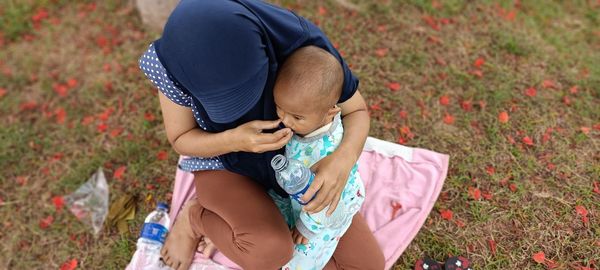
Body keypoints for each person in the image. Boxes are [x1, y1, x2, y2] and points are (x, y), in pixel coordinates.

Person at [138, 0, 384, 269]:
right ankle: (195, 217)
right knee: (270, 251)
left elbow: (355, 110)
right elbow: (181, 138)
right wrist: (233, 139)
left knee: (366, 264)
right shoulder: (173, 64)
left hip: (293, 162)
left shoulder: (301, 47)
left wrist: (342, 161)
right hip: (226, 162)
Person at [272, 46, 366, 269]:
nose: (285, 120)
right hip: (298, 197)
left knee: (300, 260)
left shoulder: (323, 152)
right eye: (279, 108)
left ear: (331, 112)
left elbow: (327, 198)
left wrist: (306, 227)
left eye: (296, 117)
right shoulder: (305, 121)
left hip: (328, 207)